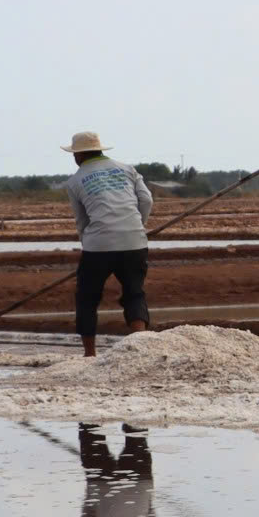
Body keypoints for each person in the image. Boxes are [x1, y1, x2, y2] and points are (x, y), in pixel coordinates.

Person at [62, 130, 152, 357]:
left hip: (98, 246)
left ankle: (89, 354)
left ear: (79, 155)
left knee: (87, 298)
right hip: (134, 241)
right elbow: (146, 200)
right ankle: (141, 349)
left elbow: (81, 220)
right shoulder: (127, 169)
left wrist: (89, 244)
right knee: (134, 293)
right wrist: (137, 226)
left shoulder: (75, 181)